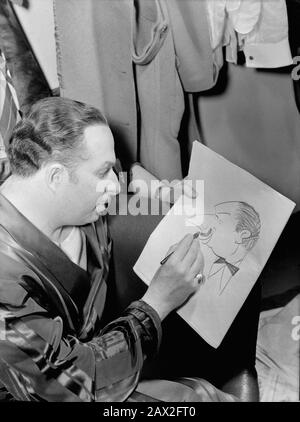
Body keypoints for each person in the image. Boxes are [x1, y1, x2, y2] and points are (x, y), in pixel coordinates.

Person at [0, 97, 243, 402]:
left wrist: (160, 189)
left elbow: (108, 172)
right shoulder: (4, 281)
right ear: (55, 177)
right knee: (195, 398)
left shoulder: (36, 186)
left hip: (106, 350)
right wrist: (157, 302)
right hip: (64, 390)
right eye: (104, 173)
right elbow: (68, 383)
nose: (116, 185)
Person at [197, 201, 261, 295]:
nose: (211, 226)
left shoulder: (248, 279)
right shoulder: (207, 260)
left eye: (220, 221)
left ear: (241, 235)